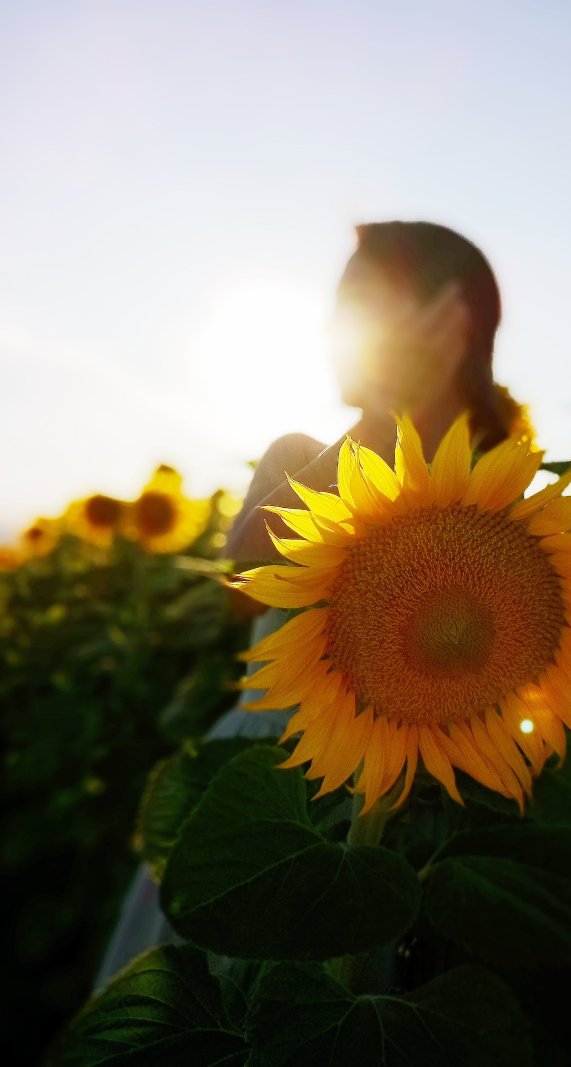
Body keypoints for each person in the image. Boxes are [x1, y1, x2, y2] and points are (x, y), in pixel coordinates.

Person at [95, 219, 530, 986]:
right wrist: (391, 416)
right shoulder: (301, 455)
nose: (339, 328)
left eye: (362, 304)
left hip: (426, 793)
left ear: (453, 324)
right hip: (274, 780)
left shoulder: (502, 495)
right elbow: (251, 559)